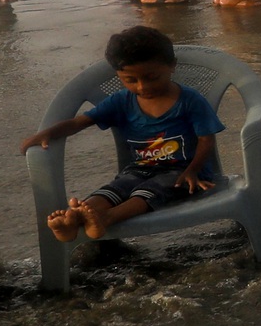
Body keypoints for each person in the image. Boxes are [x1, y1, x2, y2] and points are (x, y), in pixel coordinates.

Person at [25, 27, 222, 242]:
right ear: (118, 75)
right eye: (130, 80)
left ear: (171, 65)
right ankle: (76, 217)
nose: (142, 86)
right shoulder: (121, 100)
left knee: (152, 189)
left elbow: (206, 138)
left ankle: (108, 218)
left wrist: (193, 170)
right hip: (140, 168)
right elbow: (80, 122)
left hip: (183, 172)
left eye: (151, 77)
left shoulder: (190, 100)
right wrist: (48, 133)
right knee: (117, 187)